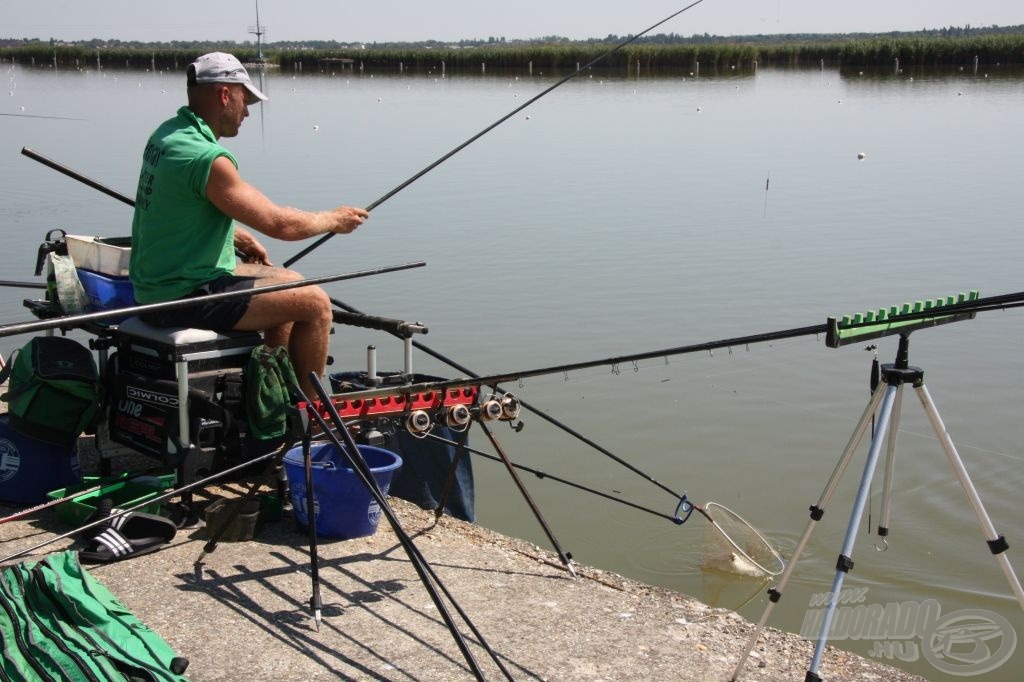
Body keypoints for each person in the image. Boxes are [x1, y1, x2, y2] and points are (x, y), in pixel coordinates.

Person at [129, 52, 367, 398]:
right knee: (316, 304)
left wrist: (235, 235)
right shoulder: (207, 158)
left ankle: (276, 396)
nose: (248, 110)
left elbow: (176, 207)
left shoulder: (167, 136)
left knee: (293, 282)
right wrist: (333, 219)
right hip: (182, 293)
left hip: (159, 282)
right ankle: (313, 419)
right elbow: (279, 224)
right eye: (246, 98)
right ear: (225, 94)